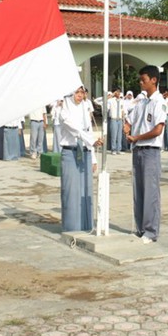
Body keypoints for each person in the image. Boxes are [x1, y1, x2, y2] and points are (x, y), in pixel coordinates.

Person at [124, 65, 166, 244]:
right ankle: (140, 227)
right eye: (140, 80)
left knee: (150, 192)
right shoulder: (141, 102)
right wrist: (126, 127)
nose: (141, 83)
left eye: (144, 80)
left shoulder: (159, 102)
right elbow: (130, 119)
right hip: (138, 150)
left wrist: (137, 137)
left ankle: (150, 231)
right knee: (138, 191)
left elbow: (157, 129)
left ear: (154, 80)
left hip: (150, 150)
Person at [59, 86, 103, 232]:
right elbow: (74, 129)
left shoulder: (85, 108)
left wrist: (94, 158)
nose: (80, 95)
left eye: (82, 92)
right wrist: (91, 141)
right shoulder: (65, 108)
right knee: (71, 192)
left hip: (85, 152)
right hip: (71, 152)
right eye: (77, 92)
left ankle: (86, 226)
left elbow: (88, 130)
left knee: (86, 191)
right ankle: (72, 228)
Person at [106, 88, 123, 155]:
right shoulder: (110, 100)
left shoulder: (121, 101)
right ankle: (113, 149)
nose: (118, 94)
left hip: (120, 119)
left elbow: (122, 110)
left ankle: (118, 149)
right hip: (113, 119)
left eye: (119, 92)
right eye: (117, 92)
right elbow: (105, 101)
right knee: (114, 135)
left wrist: (123, 120)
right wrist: (112, 94)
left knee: (119, 135)